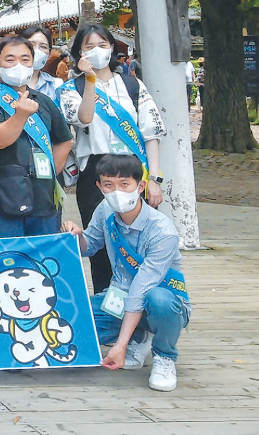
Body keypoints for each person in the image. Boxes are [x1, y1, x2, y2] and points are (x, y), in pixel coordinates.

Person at [63, 154, 189, 392]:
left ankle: (164, 356)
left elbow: (141, 287)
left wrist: (118, 346)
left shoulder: (162, 231)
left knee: (159, 301)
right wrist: (77, 235)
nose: (116, 192)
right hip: (119, 298)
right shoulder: (105, 209)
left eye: (124, 184)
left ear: (140, 186)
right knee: (69, 321)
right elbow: (90, 245)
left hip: (160, 299)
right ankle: (138, 336)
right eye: (108, 185)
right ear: (99, 186)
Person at [59, 22, 164, 294]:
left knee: (139, 239)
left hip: (133, 168)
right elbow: (84, 118)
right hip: (96, 170)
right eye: (89, 46)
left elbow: (151, 134)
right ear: (79, 52)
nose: (97, 50)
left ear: (112, 48)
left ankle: (142, 300)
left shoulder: (132, 85)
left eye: (102, 45)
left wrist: (154, 179)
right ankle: (105, 300)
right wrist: (90, 80)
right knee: (100, 242)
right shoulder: (71, 89)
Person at [0, 37, 74, 238]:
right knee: (7, 256)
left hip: (43, 198)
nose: (19, 65)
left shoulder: (44, 101)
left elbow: (64, 139)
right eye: (10, 60)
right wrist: (21, 115)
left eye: (25, 59)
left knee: (43, 255)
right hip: (0, 199)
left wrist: (50, 171)